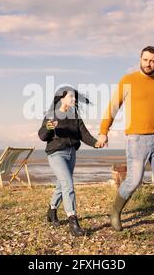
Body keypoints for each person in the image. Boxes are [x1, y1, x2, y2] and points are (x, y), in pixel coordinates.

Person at [96, 46, 154, 245]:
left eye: (152, 61)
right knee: (134, 180)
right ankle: (115, 212)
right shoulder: (128, 80)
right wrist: (103, 131)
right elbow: (113, 107)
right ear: (140, 59)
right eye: (145, 60)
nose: (148, 64)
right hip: (137, 139)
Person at [38, 86, 99, 236]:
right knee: (68, 183)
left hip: (71, 153)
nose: (74, 99)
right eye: (71, 96)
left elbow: (84, 134)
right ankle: (73, 222)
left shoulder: (75, 115)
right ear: (62, 98)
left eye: (75, 97)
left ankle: (52, 210)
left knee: (62, 184)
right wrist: (49, 127)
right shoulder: (52, 114)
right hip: (56, 153)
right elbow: (42, 135)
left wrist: (96, 143)